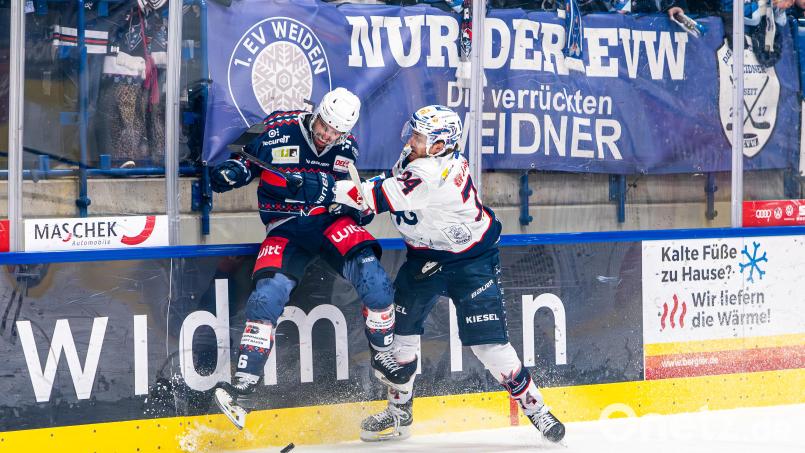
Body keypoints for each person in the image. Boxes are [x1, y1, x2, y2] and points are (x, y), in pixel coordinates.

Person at [331, 105, 566, 443]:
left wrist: (322, 189)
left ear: (440, 145)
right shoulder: (418, 156)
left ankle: (537, 410)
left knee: (491, 349)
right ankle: (400, 415)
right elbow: (388, 187)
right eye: (413, 132)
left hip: (471, 262)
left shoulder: (434, 175)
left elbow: (370, 195)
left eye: (419, 136)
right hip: (425, 257)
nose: (411, 139)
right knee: (401, 339)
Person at [208, 88, 411, 429]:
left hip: (330, 223)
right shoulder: (281, 129)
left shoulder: (347, 148)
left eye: (335, 131)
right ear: (316, 114)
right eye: (323, 125)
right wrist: (230, 173)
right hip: (286, 226)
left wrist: (357, 209)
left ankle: (383, 356)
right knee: (266, 298)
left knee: (376, 283)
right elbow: (246, 163)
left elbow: (353, 194)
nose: (326, 135)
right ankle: (242, 388)